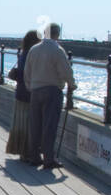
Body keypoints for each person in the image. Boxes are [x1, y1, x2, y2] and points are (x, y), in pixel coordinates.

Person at [23, 23, 76, 169]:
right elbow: (66, 71)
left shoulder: (34, 49)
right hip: (52, 90)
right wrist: (72, 84)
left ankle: (34, 156)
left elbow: (27, 72)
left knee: (35, 125)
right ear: (57, 34)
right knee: (49, 126)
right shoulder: (57, 50)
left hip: (35, 90)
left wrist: (30, 86)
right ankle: (48, 159)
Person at [5, 30, 39, 159]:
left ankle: (21, 149)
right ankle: (27, 151)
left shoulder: (23, 54)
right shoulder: (31, 55)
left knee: (20, 123)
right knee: (28, 123)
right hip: (29, 92)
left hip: (20, 91)